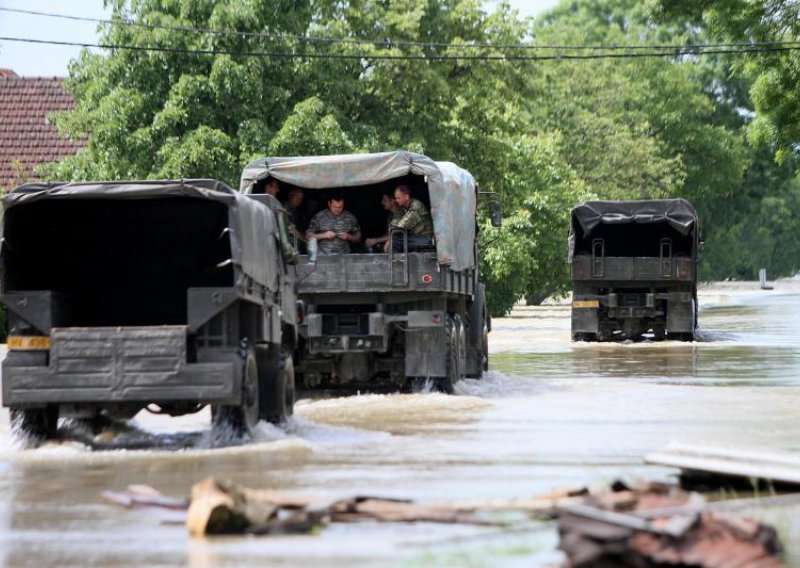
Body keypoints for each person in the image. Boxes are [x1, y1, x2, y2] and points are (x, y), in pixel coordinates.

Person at [389, 184, 434, 252]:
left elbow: (399, 226)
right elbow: (393, 224)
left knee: (396, 241)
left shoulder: (416, 207)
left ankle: (397, 262)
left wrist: (389, 239)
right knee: (396, 238)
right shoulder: (404, 207)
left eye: (398, 198)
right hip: (416, 237)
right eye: (395, 198)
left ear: (407, 197)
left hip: (425, 238)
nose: (396, 200)